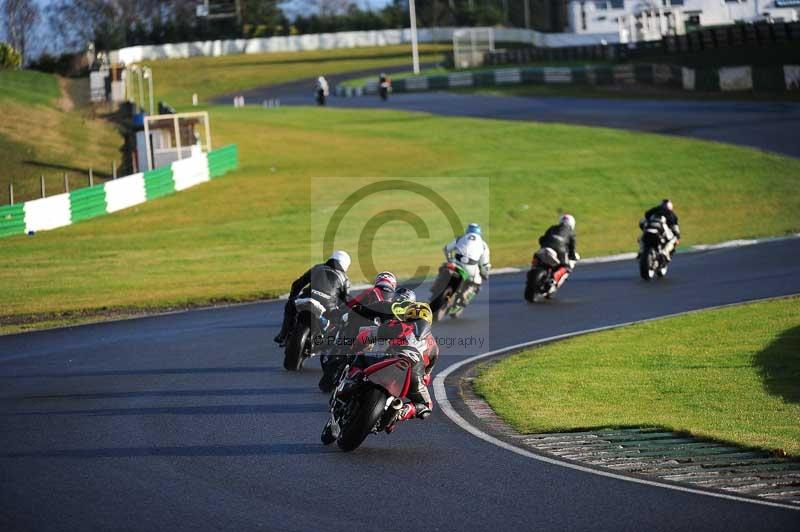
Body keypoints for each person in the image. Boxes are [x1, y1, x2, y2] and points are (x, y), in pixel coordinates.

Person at [355, 301, 438, 423]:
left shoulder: (399, 325)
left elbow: (367, 335)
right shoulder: (433, 345)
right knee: (427, 405)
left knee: (359, 357)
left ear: (407, 315)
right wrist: (419, 381)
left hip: (389, 359)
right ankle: (401, 412)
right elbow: (426, 376)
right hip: (413, 372)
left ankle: (351, 382)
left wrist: (356, 345)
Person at [273, 250, 351, 347]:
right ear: (345, 265)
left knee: (290, 305)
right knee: (341, 319)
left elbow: (297, 284)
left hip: (307, 298)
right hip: (328, 307)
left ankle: (283, 334)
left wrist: (292, 297)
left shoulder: (318, 267)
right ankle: (330, 343)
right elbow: (346, 300)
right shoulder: (344, 278)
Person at [442, 223, 491, 299]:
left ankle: (438, 287)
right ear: (479, 232)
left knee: (444, 267)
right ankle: (466, 294)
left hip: (456, 263)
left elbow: (446, 249)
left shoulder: (460, 238)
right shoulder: (484, 245)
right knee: (477, 283)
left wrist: (449, 260)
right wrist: (485, 274)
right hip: (471, 269)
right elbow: (485, 264)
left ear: (467, 230)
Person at [538, 214, 580, 291]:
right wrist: (573, 256)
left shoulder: (552, 228)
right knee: (566, 267)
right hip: (560, 251)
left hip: (546, 248)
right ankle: (554, 278)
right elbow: (572, 247)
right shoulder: (571, 232)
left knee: (538, 256)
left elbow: (542, 239)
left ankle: (534, 267)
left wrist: (544, 245)